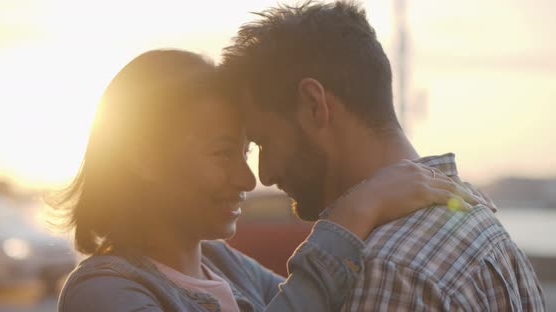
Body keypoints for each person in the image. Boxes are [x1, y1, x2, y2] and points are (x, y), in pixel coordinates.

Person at [52, 49, 481, 312]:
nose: (246, 178)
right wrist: (354, 213)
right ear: (143, 158)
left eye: (247, 151)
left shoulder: (225, 266)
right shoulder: (102, 293)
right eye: (223, 153)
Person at [220, 1, 545, 310]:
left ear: (314, 104)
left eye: (263, 142)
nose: (264, 175)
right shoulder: (482, 223)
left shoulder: (386, 268)